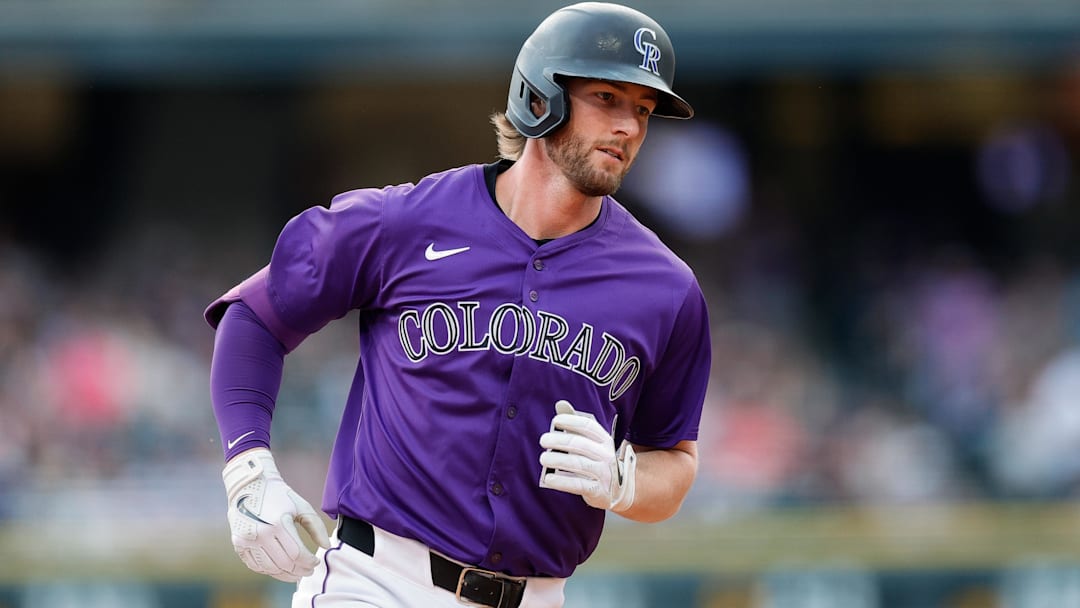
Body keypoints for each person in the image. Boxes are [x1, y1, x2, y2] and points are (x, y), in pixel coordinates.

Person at [205, 3, 712, 607]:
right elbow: (256, 317)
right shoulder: (406, 221)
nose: (629, 127)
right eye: (607, 97)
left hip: (536, 595)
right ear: (539, 95)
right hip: (377, 582)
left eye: (644, 110)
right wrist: (248, 470)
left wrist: (627, 479)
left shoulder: (666, 288)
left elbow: (675, 463)